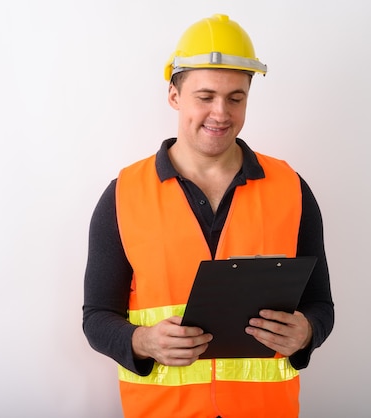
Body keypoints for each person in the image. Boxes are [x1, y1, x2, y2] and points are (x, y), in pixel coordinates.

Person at [82, 13, 334, 418]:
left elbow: (320, 305)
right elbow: (96, 318)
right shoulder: (124, 194)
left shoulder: (291, 188)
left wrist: (307, 332)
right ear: (174, 96)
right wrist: (143, 341)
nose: (221, 112)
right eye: (205, 96)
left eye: (236, 98)